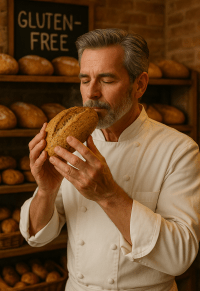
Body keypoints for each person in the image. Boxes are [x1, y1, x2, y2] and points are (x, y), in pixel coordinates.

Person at [20, 28, 200, 291]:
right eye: (84, 80)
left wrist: (108, 195)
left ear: (139, 85)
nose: (91, 93)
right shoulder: (74, 143)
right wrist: (46, 191)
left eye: (106, 80)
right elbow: (36, 236)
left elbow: (180, 257)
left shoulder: (179, 150)